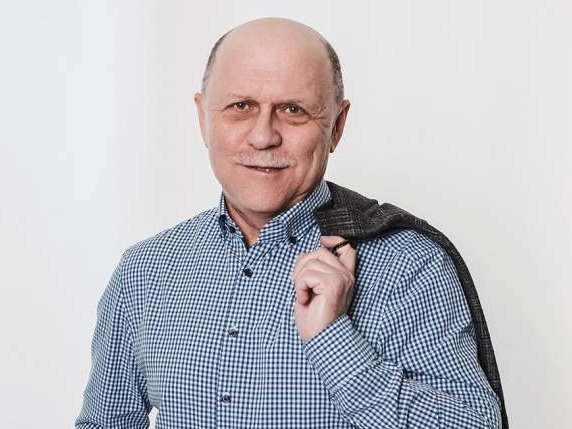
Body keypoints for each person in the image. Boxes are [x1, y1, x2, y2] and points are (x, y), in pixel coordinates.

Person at [76, 17, 503, 428]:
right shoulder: (144, 271)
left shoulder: (409, 266)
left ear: (337, 126)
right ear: (203, 117)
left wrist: (334, 340)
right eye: (241, 106)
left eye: (293, 110)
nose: (264, 136)